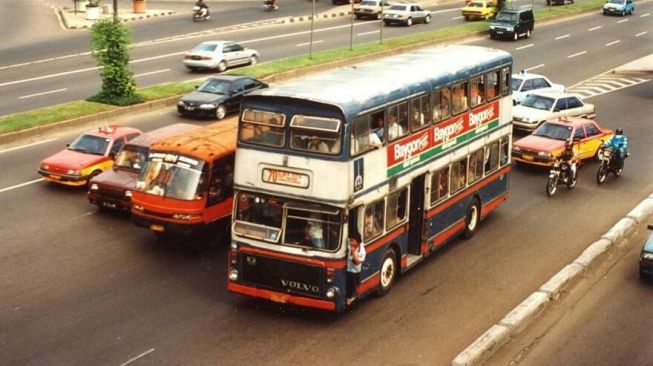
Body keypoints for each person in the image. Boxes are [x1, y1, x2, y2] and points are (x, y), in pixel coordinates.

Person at [347, 231, 366, 303]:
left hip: (354, 271)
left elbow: (357, 262)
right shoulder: (350, 244)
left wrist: (353, 253)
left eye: (352, 241)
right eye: (350, 240)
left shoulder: (362, 251)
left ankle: (351, 301)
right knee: (348, 285)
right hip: (348, 269)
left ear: (357, 242)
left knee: (352, 287)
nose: (351, 242)